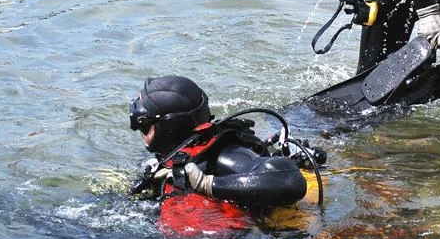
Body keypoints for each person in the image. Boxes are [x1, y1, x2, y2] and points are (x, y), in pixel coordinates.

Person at [129, 75, 309, 208]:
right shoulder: (170, 158)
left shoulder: (225, 157)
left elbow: (291, 182)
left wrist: (208, 184)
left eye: (143, 125)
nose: (139, 131)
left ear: (169, 128)